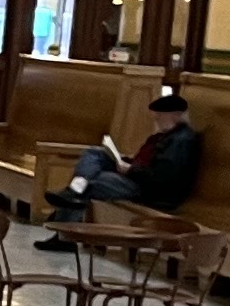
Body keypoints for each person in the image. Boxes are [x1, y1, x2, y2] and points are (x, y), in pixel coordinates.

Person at [50, 84, 204, 219]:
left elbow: (162, 177)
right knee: (94, 154)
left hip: (151, 192)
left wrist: (130, 170)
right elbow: (147, 162)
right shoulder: (165, 136)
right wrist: (125, 162)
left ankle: (63, 227)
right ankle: (75, 188)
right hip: (137, 178)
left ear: (176, 115)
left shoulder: (181, 141)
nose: (156, 118)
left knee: (97, 181)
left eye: (160, 114)